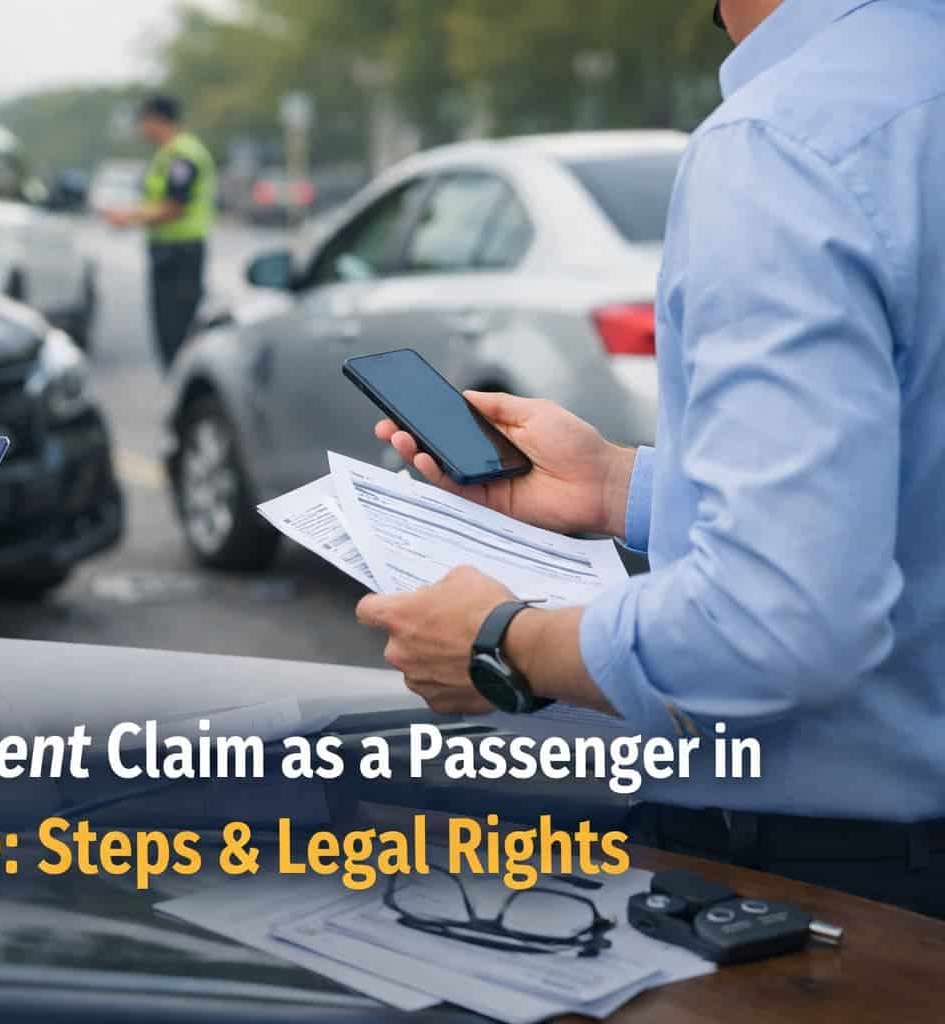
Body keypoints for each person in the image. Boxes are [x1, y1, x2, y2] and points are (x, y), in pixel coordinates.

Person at [357, 0, 945, 917]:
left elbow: (776, 624)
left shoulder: (786, 141)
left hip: (840, 887)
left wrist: (503, 644)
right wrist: (617, 484)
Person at [101, 94, 216, 370]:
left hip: (180, 252)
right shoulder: (169, 153)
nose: (140, 129)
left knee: (177, 330)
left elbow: (174, 206)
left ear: (157, 120)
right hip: (170, 250)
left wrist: (128, 216)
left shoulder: (182, 155)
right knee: (170, 329)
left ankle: (183, 385)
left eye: (142, 121)